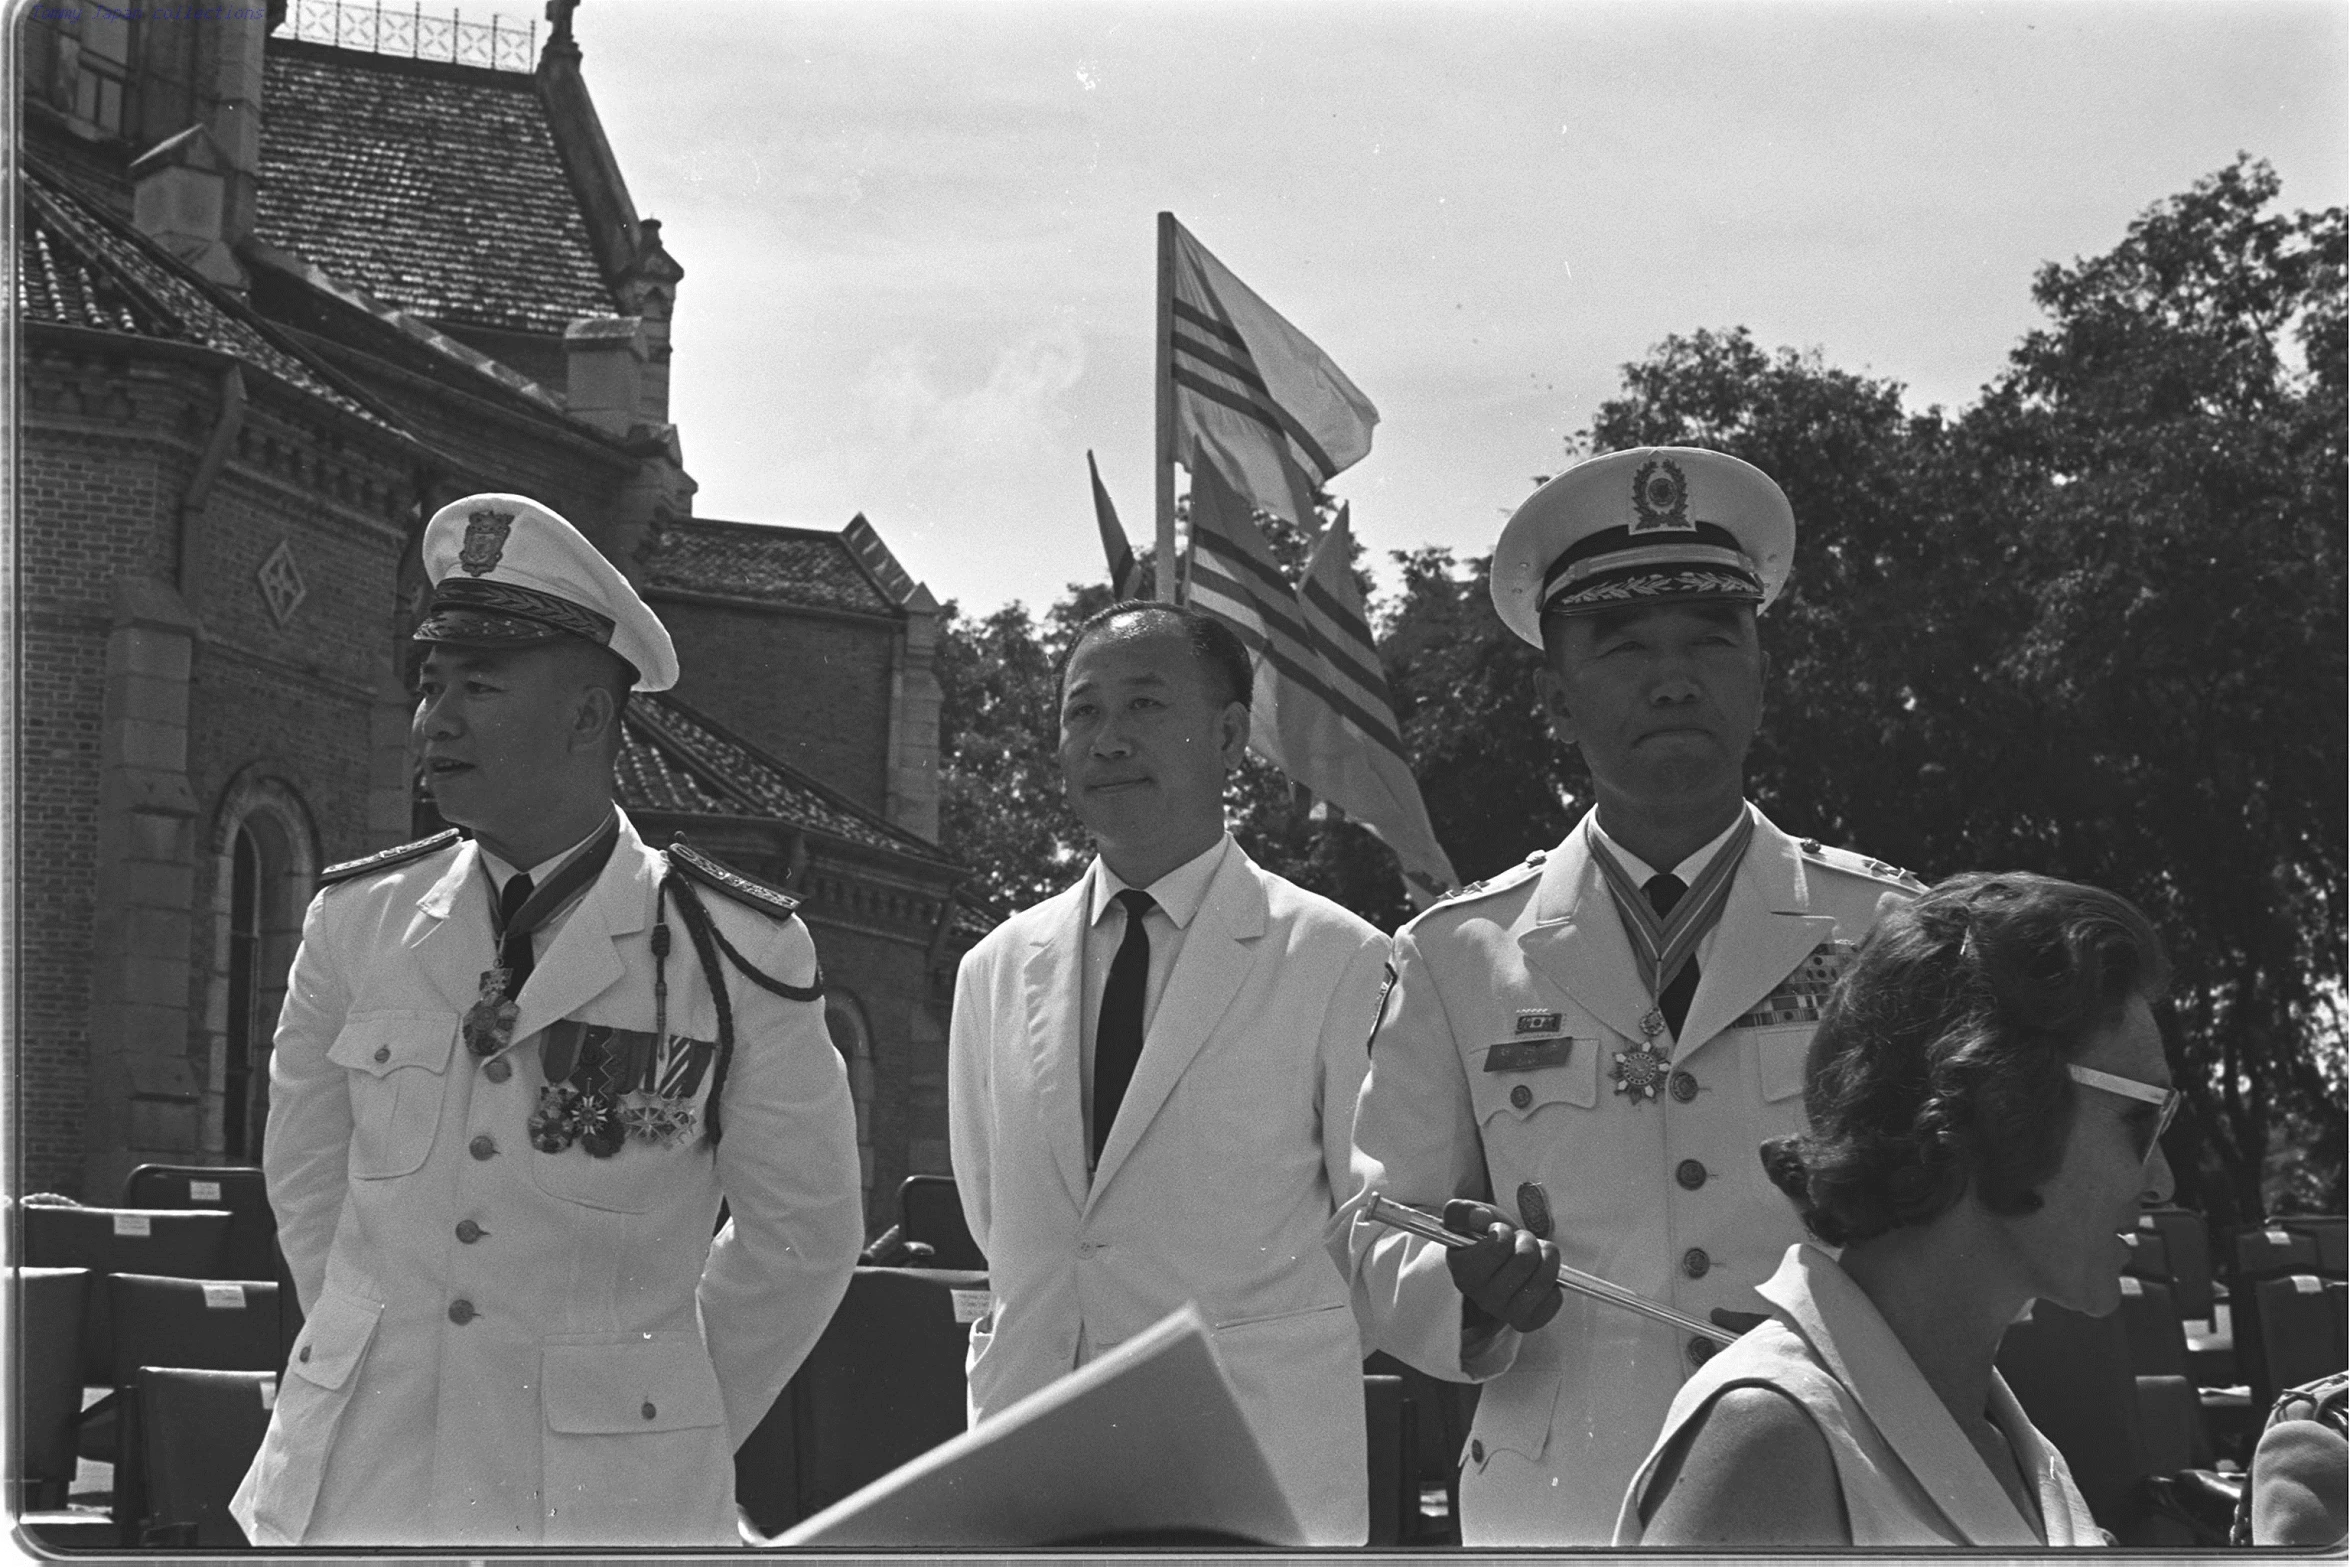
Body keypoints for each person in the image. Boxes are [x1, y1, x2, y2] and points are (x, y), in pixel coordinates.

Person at [230, 494, 865, 1548]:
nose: (439, 721)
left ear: (586, 718)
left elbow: (804, 1235)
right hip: (360, 1488)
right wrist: (388, 1348)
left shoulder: (733, 949)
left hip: (601, 1516)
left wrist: (645, 1407)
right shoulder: (356, 923)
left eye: (480, 686)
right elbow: (307, 1182)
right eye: (433, 685)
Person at [1338, 446, 1924, 1543]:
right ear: (1557, 699)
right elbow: (1379, 1231)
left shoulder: (1890, 933)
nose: (1673, 677)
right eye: (1624, 647)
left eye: (1712, 638)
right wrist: (1468, 1292)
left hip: (1836, 1491)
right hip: (1560, 1503)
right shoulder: (1457, 952)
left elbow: (1964, 1216)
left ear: (1760, 671)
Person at [947, 601, 1389, 1544]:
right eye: (1081, 711)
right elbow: (1006, 1221)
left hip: (1248, 1482)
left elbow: (1371, 1239)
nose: (1108, 740)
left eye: (1145, 705)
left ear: (1230, 736)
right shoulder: (994, 967)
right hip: (1035, 1473)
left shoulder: (1335, 957)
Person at [1616, 871, 2172, 1547]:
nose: (2161, 1181)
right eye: (2140, 1120)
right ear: (2004, 1099)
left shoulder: (2015, 1447)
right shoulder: (1772, 1445)